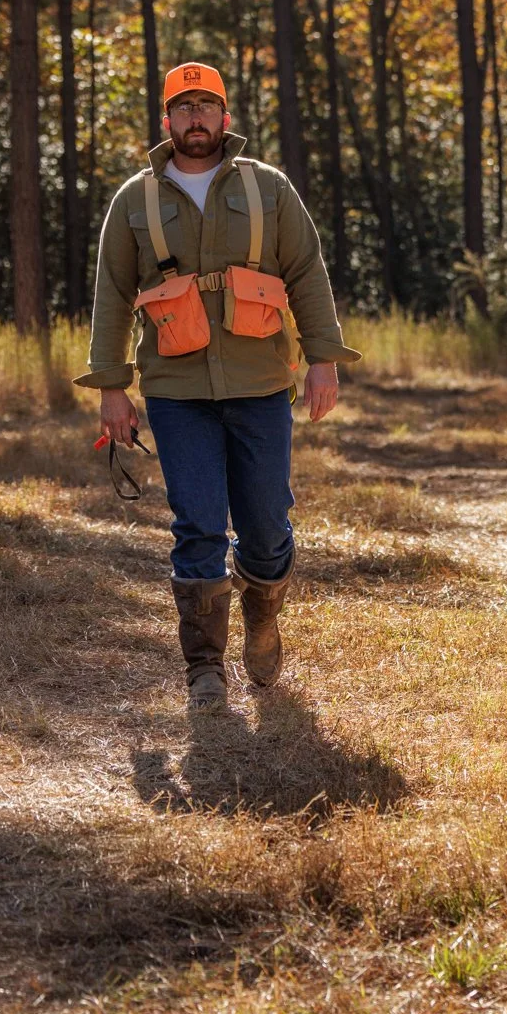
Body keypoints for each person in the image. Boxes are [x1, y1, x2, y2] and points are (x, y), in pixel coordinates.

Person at [77, 62, 360, 710]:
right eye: (184, 108)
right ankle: (204, 667)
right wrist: (112, 386)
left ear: (225, 118)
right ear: (167, 120)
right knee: (198, 523)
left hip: (261, 382)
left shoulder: (270, 190)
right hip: (176, 390)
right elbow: (112, 297)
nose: (196, 118)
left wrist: (323, 357)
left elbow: (307, 272)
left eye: (207, 106)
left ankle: (262, 617)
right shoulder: (135, 200)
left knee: (266, 527)